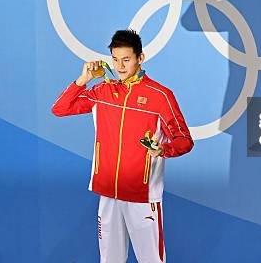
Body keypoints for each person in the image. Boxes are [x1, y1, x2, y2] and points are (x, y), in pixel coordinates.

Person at [51, 29, 194, 263]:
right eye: (115, 59)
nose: (120, 66)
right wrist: (83, 80)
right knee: (110, 260)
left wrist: (163, 150)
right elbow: (60, 109)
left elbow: (184, 140)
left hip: (143, 196)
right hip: (107, 192)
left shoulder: (160, 95)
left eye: (126, 59)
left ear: (140, 58)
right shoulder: (102, 92)